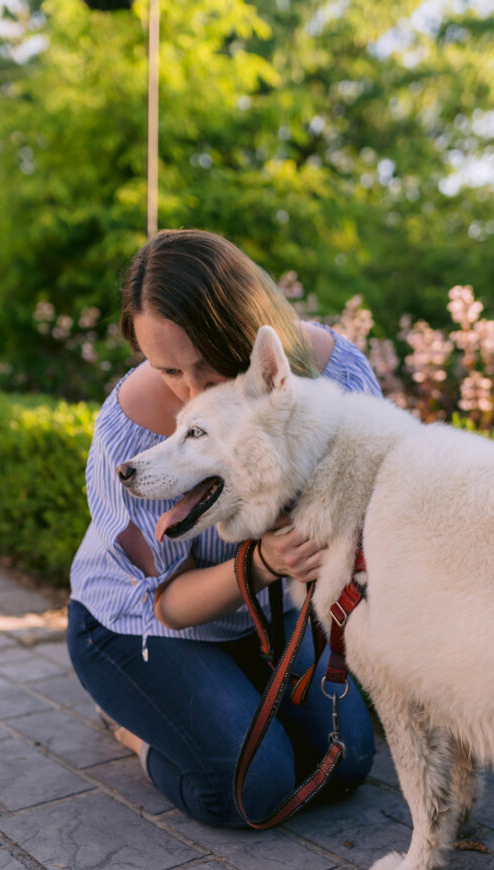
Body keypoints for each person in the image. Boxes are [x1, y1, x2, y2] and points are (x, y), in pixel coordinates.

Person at [66, 228, 380, 827]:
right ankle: (135, 730)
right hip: (139, 627)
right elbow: (168, 606)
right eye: (167, 370)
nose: (190, 392)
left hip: (268, 618)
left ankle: (230, 693)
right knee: (251, 790)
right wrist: (262, 562)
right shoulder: (125, 434)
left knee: (348, 765)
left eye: (209, 365)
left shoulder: (332, 369)